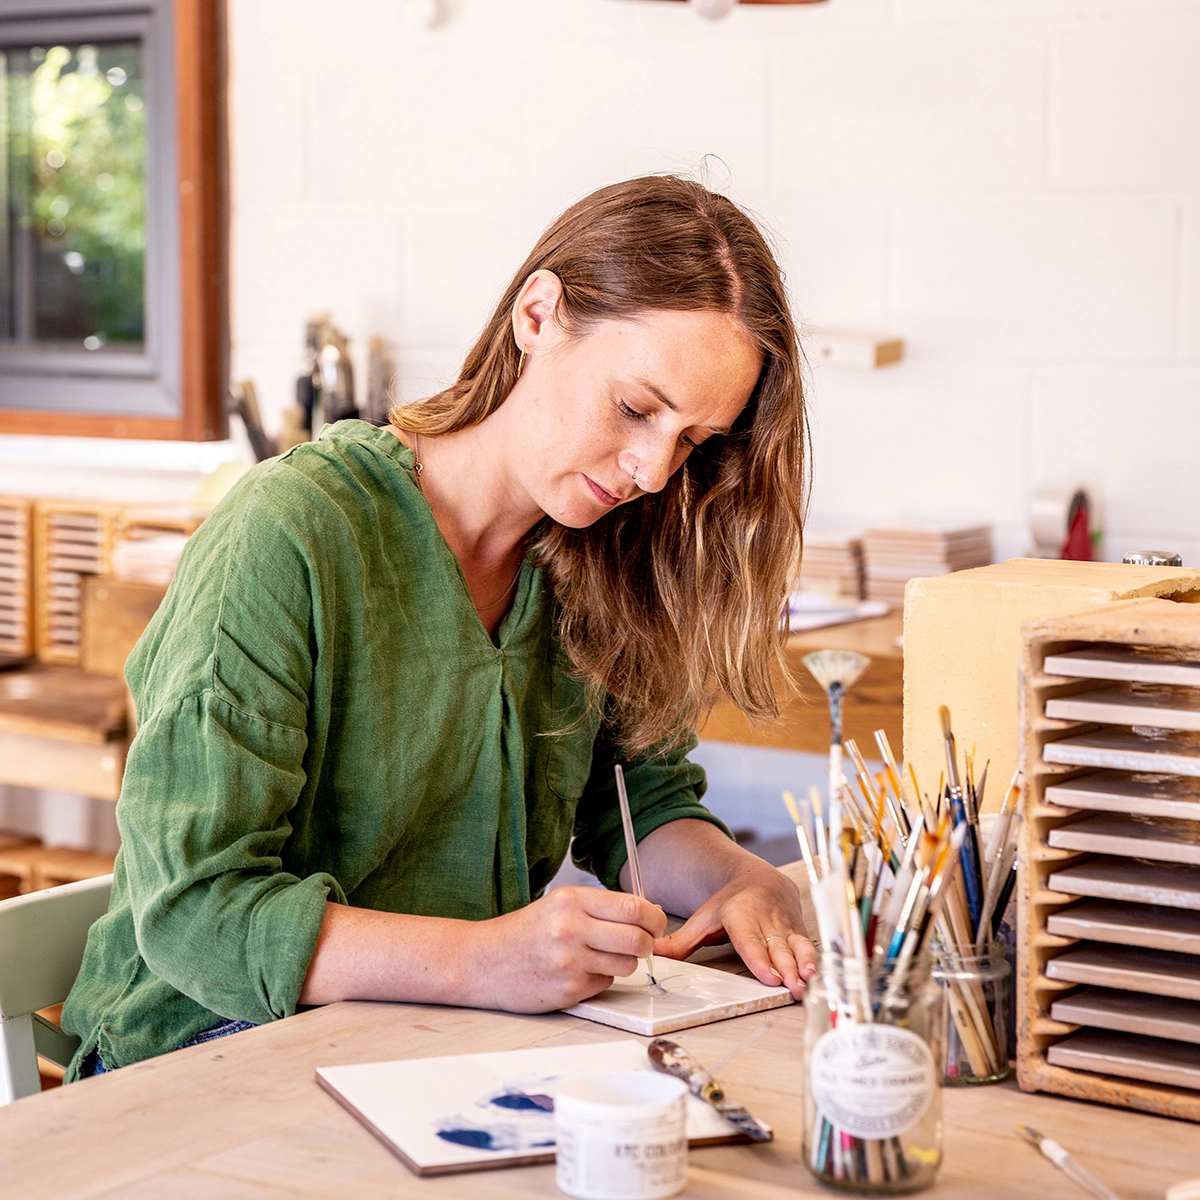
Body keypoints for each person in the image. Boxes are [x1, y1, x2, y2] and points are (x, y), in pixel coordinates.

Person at [62, 175, 816, 1079]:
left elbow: (639, 803)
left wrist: (743, 882)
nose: (654, 469)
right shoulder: (292, 531)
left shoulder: (596, 555)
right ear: (538, 315)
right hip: (202, 1052)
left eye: (692, 439)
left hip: (432, 1048)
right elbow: (198, 914)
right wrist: (483, 959)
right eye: (635, 408)